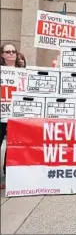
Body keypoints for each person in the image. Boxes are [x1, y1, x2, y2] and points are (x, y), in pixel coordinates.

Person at [0, 43, 21, 189]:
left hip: (17, 114)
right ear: (2, 54)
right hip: (1, 113)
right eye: (8, 51)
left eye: (13, 51)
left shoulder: (22, 71)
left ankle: (8, 174)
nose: (11, 54)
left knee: (13, 146)